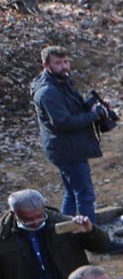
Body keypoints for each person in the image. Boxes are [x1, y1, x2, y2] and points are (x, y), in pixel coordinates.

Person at [1, 189, 109, 279]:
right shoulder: (4, 238)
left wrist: (90, 231)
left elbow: (102, 246)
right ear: (15, 214)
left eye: (40, 216)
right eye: (29, 219)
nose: (36, 222)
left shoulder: (63, 223)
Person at [30, 46, 111, 224]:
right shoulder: (47, 92)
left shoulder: (61, 81)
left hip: (66, 146)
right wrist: (95, 115)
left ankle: (64, 229)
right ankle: (90, 236)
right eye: (58, 63)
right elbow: (64, 122)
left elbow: (73, 107)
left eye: (66, 62)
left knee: (72, 192)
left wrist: (93, 103)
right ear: (46, 65)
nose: (64, 67)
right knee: (84, 195)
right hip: (66, 149)